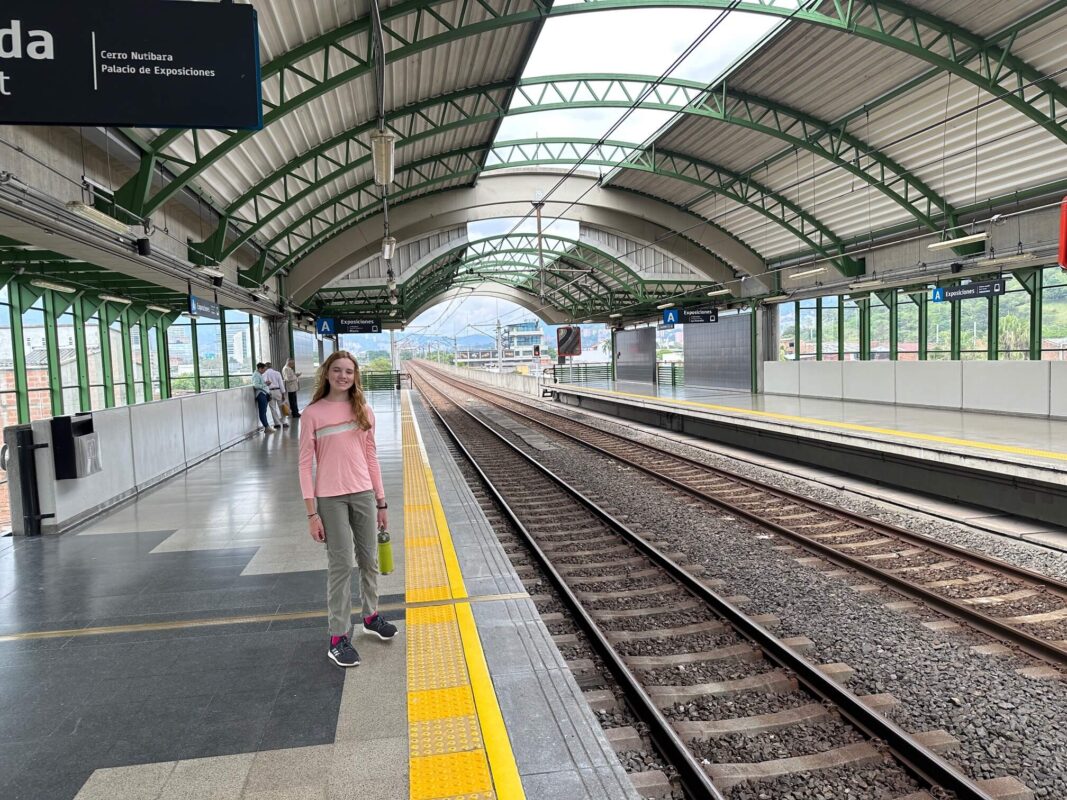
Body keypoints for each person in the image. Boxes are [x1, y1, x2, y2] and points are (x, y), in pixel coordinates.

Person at [299, 350, 397, 667]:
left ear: (355, 377)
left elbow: (371, 458)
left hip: (364, 494)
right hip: (330, 498)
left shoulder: (364, 410)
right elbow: (303, 465)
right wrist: (311, 513)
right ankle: (338, 637)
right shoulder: (313, 413)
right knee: (341, 565)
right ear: (327, 373)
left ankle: (371, 616)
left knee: (369, 560)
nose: (343, 376)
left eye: (350, 371)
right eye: (338, 370)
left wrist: (381, 501)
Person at [264, 362, 287, 429]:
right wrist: (283, 393)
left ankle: (277, 424)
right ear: (271, 366)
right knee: (281, 407)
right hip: (278, 391)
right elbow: (281, 384)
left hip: (270, 391)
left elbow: (264, 383)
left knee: (273, 408)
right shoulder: (277, 373)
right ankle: (284, 422)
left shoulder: (265, 374)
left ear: (265, 367)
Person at [251, 363, 272, 433]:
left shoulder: (259, 375)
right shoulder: (256, 375)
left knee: (264, 411)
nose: (265, 371)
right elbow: (256, 385)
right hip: (261, 395)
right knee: (262, 412)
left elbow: (259, 384)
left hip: (263, 394)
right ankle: (267, 426)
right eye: (264, 370)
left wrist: (264, 383)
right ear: (260, 368)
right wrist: (265, 384)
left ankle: (267, 427)